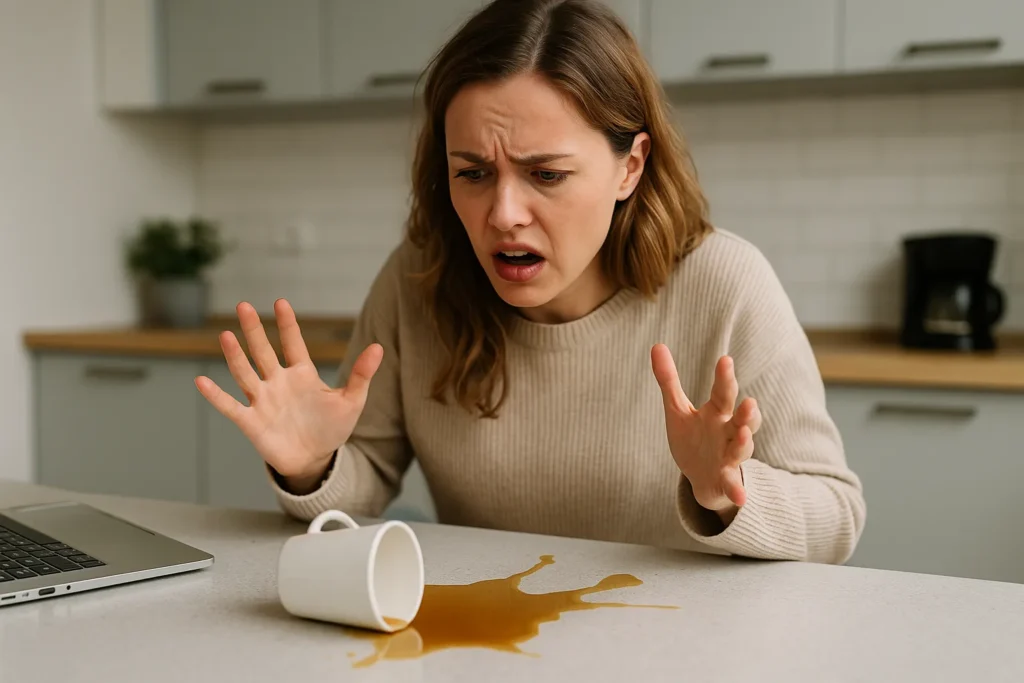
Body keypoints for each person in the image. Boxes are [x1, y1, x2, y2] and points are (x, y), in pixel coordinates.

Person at [195, 0, 866, 564]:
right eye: (473, 173)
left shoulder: (725, 283)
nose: (503, 215)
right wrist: (312, 465)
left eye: (546, 175)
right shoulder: (418, 277)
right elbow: (364, 475)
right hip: (492, 637)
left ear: (630, 166)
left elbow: (837, 515)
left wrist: (727, 489)